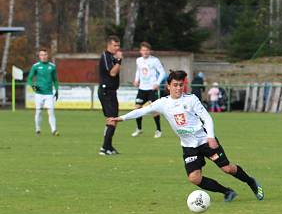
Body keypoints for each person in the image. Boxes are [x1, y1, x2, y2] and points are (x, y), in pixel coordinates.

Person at [108, 70, 264, 202]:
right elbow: (141, 111)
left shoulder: (191, 99)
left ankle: (251, 182)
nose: (178, 88)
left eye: (180, 85)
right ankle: (227, 192)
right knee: (194, 178)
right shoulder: (162, 103)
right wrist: (121, 118)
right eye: (175, 85)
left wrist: (210, 136)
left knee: (227, 169)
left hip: (205, 141)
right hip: (189, 146)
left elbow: (207, 118)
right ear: (168, 86)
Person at [131, 42, 167, 138]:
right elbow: (138, 71)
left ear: (150, 51)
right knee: (137, 109)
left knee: (154, 110)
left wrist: (157, 83)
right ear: (140, 51)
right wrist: (136, 80)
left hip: (151, 89)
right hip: (142, 89)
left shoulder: (155, 60)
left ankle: (158, 130)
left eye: (147, 50)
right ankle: (139, 129)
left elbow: (162, 72)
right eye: (143, 50)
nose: (145, 52)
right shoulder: (138, 60)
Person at [98, 36, 123, 155]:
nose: (117, 48)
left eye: (118, 46)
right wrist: (119, 61)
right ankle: (104, 148)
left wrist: (117, 61)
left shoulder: (113, 57)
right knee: (112, 119)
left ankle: (108, 146)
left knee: (113, 120)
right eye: (115, 45)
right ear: (109, 45)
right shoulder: (106, 56)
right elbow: (112, 73)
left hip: (112, 92)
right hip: (106, 91)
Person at [27, 47, 59, 136]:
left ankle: (54, 130)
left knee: (51, 112)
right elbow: (29, 79)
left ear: (47, 56)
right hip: (39, 94)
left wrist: (57, 90)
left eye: (45, 55)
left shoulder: (52, 66)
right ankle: (38, 130)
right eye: (41, 55)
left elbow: (55, 80)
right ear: (39, 56)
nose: (43, 56)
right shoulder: (36, 66)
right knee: (38, 112)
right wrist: (33, 86)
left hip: (49, 93)